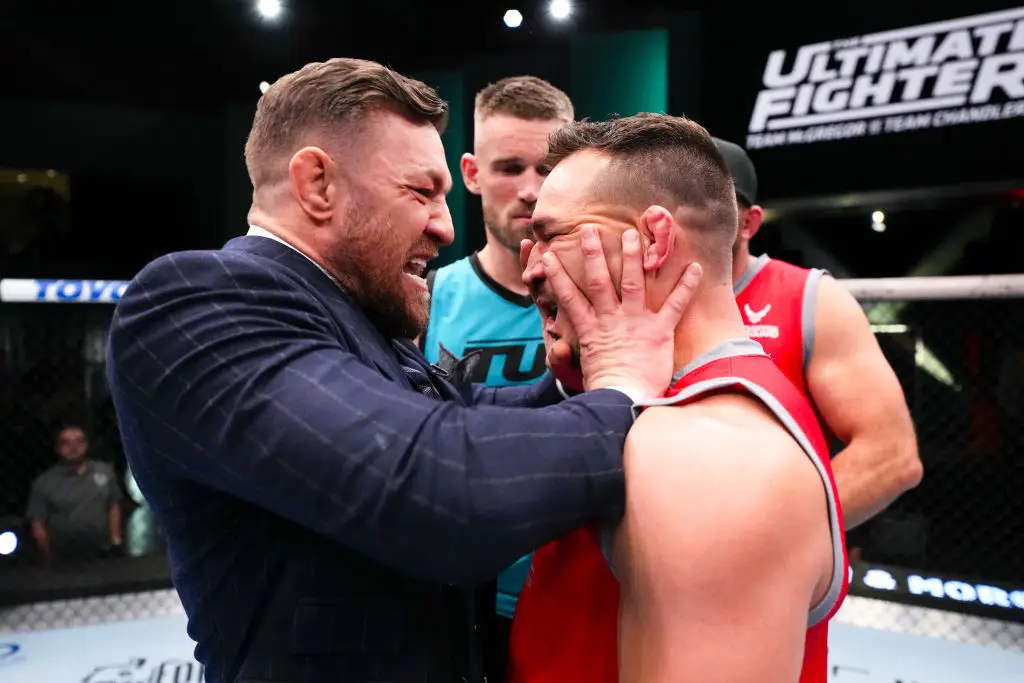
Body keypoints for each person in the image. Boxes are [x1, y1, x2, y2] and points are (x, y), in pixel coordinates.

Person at [104, 58, 701, 683]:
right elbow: (442, 488)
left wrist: (579, 370)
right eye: (420, 192)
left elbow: (468, 415)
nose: (445, 226)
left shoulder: (353, 317)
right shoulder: (197, 300)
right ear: (317, 185)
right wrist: (623, 388)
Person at [508, 114, 848, 683]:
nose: (531, 269)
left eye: (550, 235)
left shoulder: (710, 453)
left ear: (654, 241)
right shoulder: (667, 408)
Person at [418, 75, 574, 676]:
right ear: (473, 173)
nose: (532, 190)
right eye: (510, 167)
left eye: (549, 167)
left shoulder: (614, 302)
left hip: (586, 586)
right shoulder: (426, 300)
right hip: (460, 597)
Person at [716, 137, 921, 542]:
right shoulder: (641, 298)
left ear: (750, 222)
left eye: (708, 201)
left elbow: (891, 455)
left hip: (755, 566)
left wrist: (764, 542)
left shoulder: (809, 299)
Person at [27, 423, 123, 565]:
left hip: (103, 552)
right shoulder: (44, 483)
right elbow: (37, 523)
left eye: (79, 441)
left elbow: (113, 505)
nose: (74, 447)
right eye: (66, 443)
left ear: (87, 444)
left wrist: (115, 539)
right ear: (58, 448)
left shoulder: (105, 472)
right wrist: (48, 556)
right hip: (63, 557)